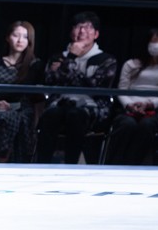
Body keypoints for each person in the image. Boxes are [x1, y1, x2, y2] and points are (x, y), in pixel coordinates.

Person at [36, 11, 118, 164]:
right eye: (78, 27)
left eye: (87, 27)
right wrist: (71, 59)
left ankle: (72, 165)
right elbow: (50, 80)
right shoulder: (58, 56)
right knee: (51, 115)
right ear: (71, 31)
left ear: (96, 34)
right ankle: (41, 165)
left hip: (91, 107)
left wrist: (68, 64)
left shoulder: (106, 60)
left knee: (75, 115)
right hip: (59, 104)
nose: (82, 32)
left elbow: (95, 86)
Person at [107, 28, 158, 165]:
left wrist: (149, 105)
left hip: (155, 112)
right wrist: (130, 105)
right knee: (127, 124)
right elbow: (122, 90)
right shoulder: (130, 64)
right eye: (153, 41)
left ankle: (132, 164)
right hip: (129, 110)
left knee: (146, 125)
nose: (156, 45)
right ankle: (113, 164)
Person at [0, 21, 43, 162]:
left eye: (25, 37)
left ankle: (3, 160)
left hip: (20, 106)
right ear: (8, 38)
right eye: (16, 35)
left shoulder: (35, 64)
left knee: (8, 119)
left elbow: (22, 89)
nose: (20, 40)